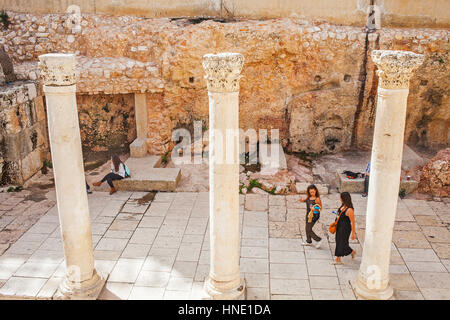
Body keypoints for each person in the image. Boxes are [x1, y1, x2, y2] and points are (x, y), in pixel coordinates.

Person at [332, 192, 356, 265]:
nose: (340, 199)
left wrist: (353, 233)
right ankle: (352, 252)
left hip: (345, 229)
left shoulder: (350, 210)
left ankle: (338, 259)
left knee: (341, 242)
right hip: (339, 226)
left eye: (341, 198)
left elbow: (352, 222)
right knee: (340, 242)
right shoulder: (343, 206)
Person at [299, 184, 323, 249]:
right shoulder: (308, 197)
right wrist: (302, 200)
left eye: (313, 192)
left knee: (308, 229)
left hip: (314, 215)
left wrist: (314, 209)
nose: (312, 193)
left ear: (316, 191)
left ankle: (319, 240)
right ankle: (308, 241)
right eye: (310, 192)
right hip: (308, 214)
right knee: (306, 228)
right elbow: (306, 200)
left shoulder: (317, 199)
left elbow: (320, 208)